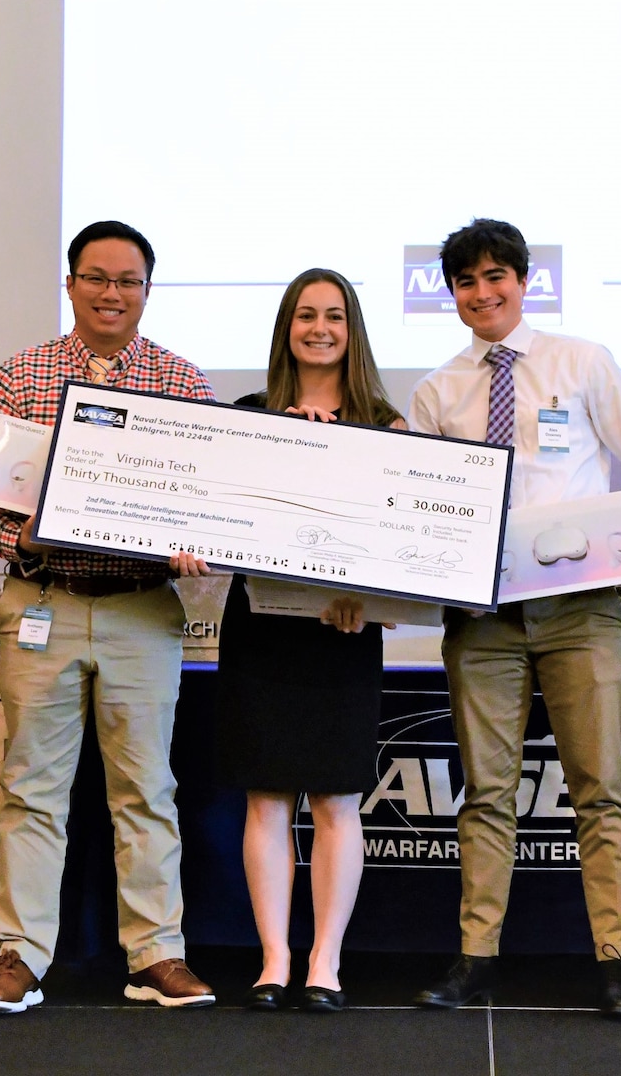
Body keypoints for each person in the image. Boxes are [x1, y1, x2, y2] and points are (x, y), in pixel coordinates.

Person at [408, 220, 621, 1018]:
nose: (482, 293)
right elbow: (422, 510)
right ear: (452, 294)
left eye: (496, 276)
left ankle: (616, 965)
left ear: (524, 281)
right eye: (465, 282)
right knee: (486, 791)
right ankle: (475, 958)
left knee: (600, 788)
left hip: (580, 609)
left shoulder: (582, 361)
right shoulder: (436, 391)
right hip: (484, 618)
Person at [0, 221, 217, 1013]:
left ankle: (156, 954)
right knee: (33, 789)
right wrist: (20, 533)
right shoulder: (20, 376)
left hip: (143, 611)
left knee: (146, 790)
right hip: (47, 599)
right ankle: (21, 953)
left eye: (128, 280)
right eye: (97, 278)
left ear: (147, 291)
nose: (112, 294)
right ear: (71, 284)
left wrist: (195, 541)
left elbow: (210, 501)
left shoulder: (182, 384)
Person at [216, 269, 405, 1014]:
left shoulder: (385, 427)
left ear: (352, 329)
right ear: (285, 328)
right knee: (265, 797)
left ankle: (324, 962)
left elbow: (399, 547)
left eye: (333, 316)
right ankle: (273, 960)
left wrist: (370, 597)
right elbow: (219, 518)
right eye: (305, 315)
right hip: (261, 629)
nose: (318, 328)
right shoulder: (249, 417)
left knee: (335, 799)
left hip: (341, 633)